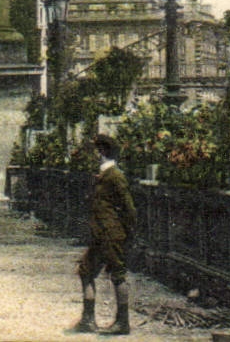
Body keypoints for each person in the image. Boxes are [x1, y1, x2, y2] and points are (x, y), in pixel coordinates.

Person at [72, 134, 137, 334]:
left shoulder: (115, 175)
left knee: (117, 274)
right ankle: (88, 319)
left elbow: (129, 209)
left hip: (111, 234)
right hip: (100, 234)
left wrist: (125, 234)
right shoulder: (101, 175)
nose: (90, 155)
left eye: (93, 151)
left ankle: (123, 323)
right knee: (85, 270)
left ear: (102, 152)